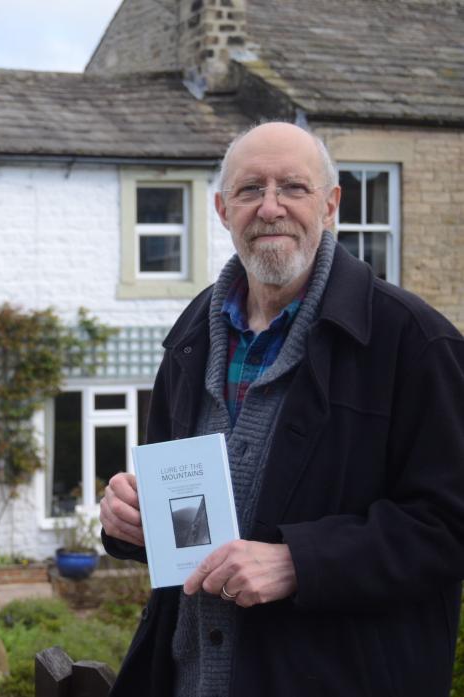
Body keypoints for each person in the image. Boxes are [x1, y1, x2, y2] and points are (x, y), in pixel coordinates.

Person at [99, 121, 464, 697]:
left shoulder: (414, 342)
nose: (270, 208)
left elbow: (448, 524)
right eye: (250, 190)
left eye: (293, 187)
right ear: (223, 209)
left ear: (330, 205)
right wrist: (131, 523)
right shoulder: (193, 333)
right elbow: (185, 513)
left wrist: (301, 562)